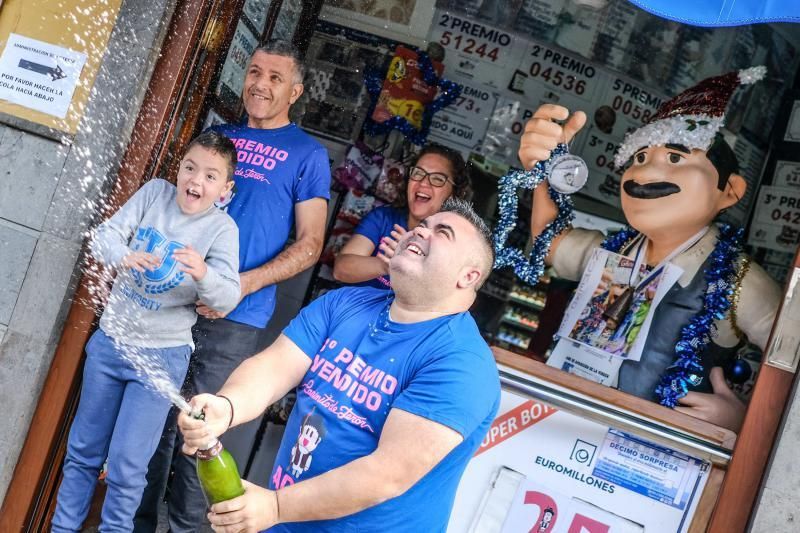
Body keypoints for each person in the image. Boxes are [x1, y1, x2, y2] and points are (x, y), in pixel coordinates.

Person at [178, 198, 500, 532]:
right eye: (422, 226)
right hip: (287, 521)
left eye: (442, 232)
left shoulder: (462, 362)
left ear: (468, 276)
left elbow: (387, 474)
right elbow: (275, 366)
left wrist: (275, 506)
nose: (421, 232)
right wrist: (227, 406)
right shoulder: (345, 302)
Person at [135, 40, 331, 532]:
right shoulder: (217, 138)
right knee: (148, 435)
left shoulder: (308, 155)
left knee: (199, 444)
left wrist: (239, 285)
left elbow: (310, 246)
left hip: (235, 320)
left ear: (296, 90)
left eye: (275, 78)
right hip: (173, 307)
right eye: (255, 72)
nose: (260, 84)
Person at [518, 67, 781, 432]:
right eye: (638, 158)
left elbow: (791, 365)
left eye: (675, 159)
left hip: (659, 456)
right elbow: (551, 241)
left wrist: (746, 421)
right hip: (570, 422)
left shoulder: (737, 279)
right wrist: (543, 171)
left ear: (731, 190)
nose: (643, 173)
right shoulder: (614, 252)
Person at [51, 131, 241, 532]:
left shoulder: (221, 230)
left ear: (226, 188)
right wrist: (124, 256)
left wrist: (204, 273)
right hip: (112, 344)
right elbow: (104, 237)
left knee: (125, 468)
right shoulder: (155, 193)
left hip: (162, 356)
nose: (195, 181)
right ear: (179, 168)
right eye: (190, 168)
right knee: (82, 452)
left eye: (210, 176)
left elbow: (227, 298)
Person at [333, 144, 471, 289]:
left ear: (453, 194)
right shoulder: (384, 218)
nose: (423, 183)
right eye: (418, 173)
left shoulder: (451, 246)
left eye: (437, 179)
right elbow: (341, 269)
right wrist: (387, 264)